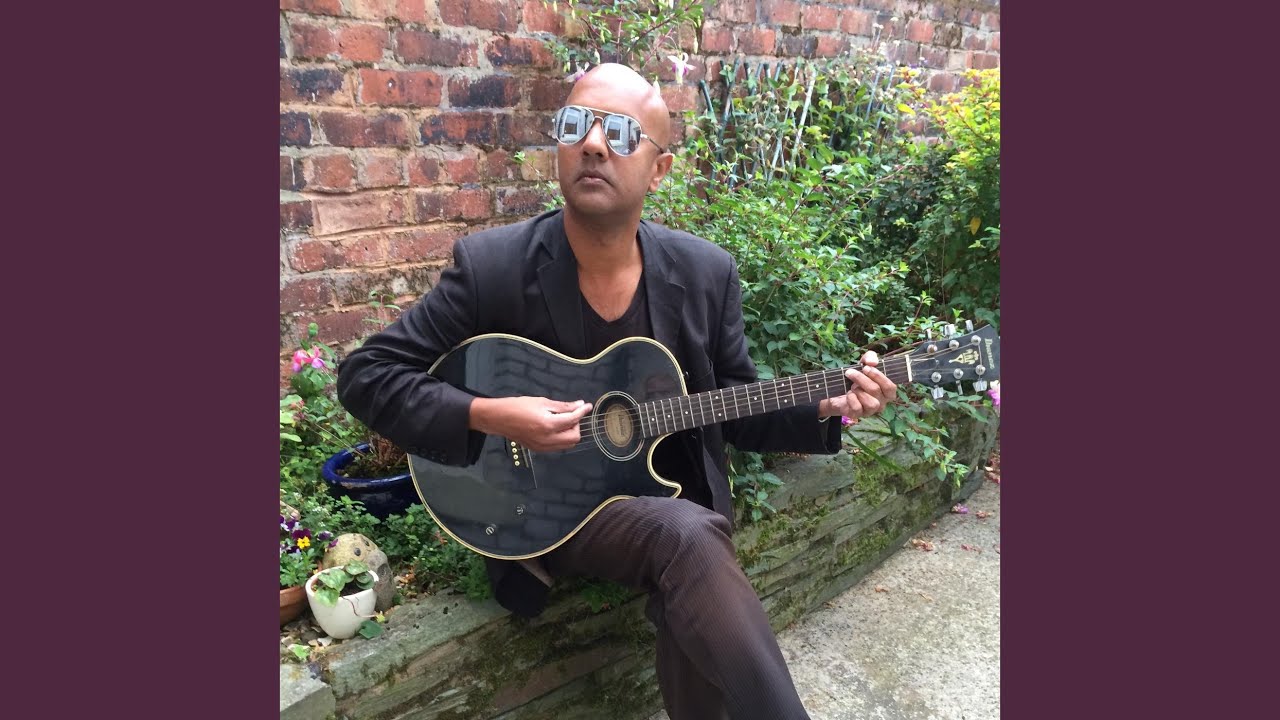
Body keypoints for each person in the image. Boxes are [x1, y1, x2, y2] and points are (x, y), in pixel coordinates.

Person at [336, 63, 897, 720]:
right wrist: (491, 416)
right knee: (688, 538)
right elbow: (366, 375)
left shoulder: (705, 273)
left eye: (622, 133)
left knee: (688, 546)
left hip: (666, 504)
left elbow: (736, 407)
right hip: (535, 509)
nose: (594, 144)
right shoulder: (494, 267)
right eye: (576, 125)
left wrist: (826, 405)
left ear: (659, 170)